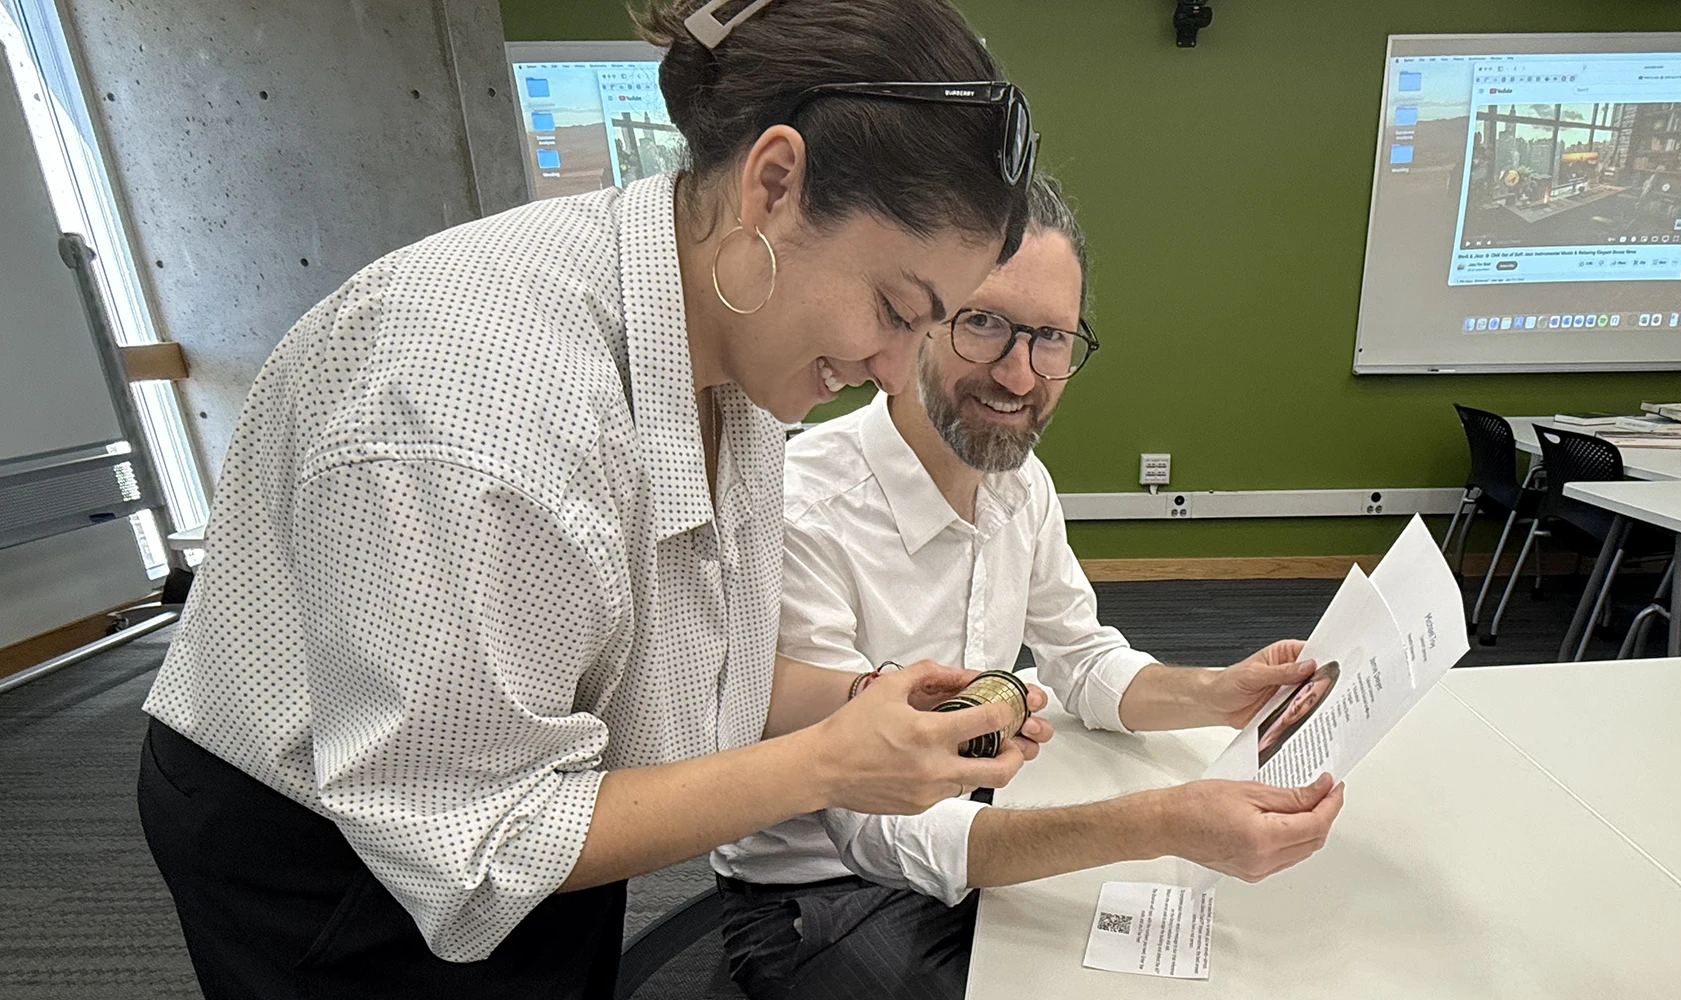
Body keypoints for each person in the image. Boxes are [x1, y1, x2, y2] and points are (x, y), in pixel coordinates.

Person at [132, 2, 1061, 996]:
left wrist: (865, 700)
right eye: (892, 309)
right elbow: (472, 849)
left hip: (530, 794)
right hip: (331, 850)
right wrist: (830, 764)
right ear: (775, 183)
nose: (890, 370)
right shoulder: (476, 409)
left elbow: (675, 656)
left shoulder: (728, 334)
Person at [711, 175, 1345, 1000]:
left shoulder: (1019, 482)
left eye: (1052, 338)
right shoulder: (804, 512)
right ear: (913, 323)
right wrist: (1156, 823)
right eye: (984, 324)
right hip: (821, 893)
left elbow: (1079, 657)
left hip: (970, 830)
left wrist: (1216, 693)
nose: (1020, 375)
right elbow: (876, 827)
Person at [1257, 662, 1340, 764]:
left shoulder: (1287, 751)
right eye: (1308, 688)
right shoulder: (1262, 714)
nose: (1301, 702)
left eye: (1310, 701)